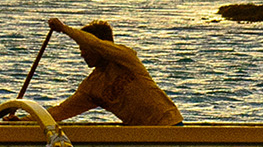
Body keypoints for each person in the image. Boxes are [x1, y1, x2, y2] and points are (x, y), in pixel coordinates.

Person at [43, 18, 184, 127]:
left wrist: (64, 29)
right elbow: (60, 112)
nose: (82, 54)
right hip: (142, 133)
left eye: (84, 48)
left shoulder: (125, 58)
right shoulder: (91, 86)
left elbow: (95, 44)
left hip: (169, 123)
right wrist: (24, 121)